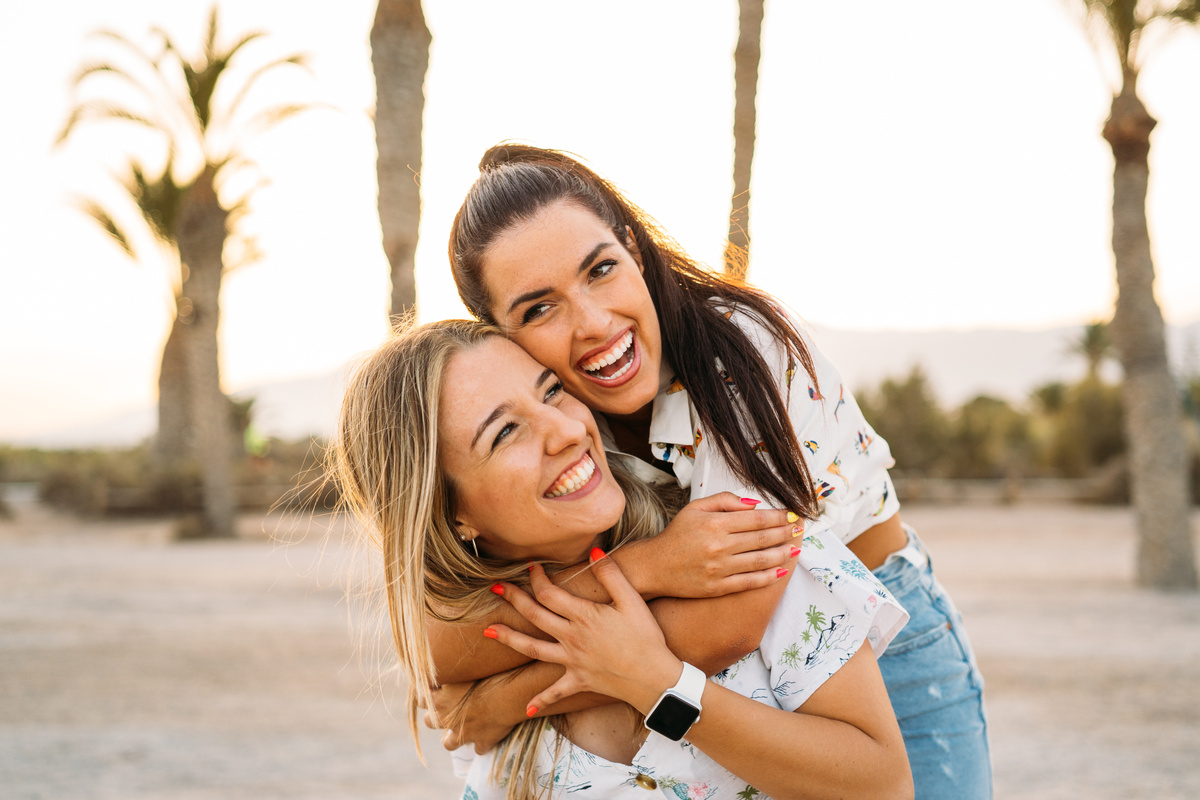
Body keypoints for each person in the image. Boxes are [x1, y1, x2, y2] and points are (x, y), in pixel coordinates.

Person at [440, 144, 992, 799]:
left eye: (601, 270)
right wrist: (651, 570)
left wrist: (507, 699)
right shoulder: (553, 417)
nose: (592, 323)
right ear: (500, 336)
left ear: (633, 252)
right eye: (539, 308)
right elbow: (447, 648)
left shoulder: (745, 350)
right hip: (711, 676)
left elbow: (734, 617)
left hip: (880, 640)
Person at [331, 319, 912, 800]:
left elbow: (883, 787)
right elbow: (433, 643)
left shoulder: (737, 546)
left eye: (551, 390)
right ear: (451, 514)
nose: (565, 429)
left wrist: (660, 686)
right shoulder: (473, 676)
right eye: (505, 432)